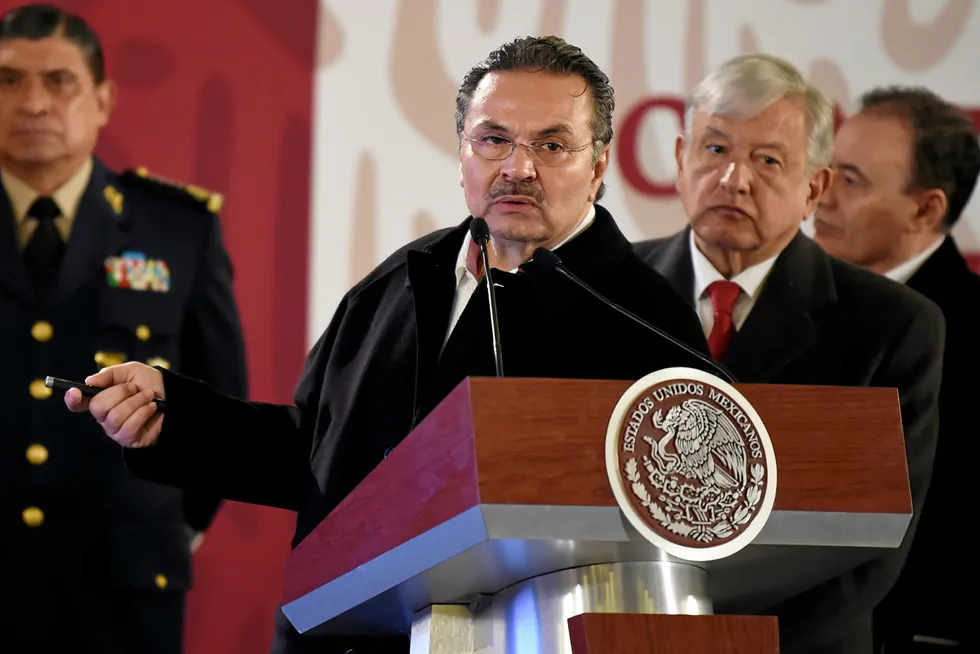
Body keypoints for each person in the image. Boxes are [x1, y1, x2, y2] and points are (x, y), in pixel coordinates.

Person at [65, 35, 719, 654]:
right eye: (494, 140)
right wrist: (175, 418)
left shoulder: (643, 316)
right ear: (462, 152)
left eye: (552, 146)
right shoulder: (401, 282)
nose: (518, 168)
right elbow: (313, 457)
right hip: (347, 638)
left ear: (599, 162)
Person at [632, 54, 944, 653]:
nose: (733, 179)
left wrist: (722, 642)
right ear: (679, 160)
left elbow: (873, 550)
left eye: (767, 161)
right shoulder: (606, 291)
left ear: (815, 188)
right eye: (715, 150)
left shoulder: (892, 327)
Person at [0, 5, 248, 654]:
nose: (33, 103)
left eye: (59, 81)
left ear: (103, 100)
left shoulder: (177, 227)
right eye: (8, 81)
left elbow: (216, 402)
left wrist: (169, 525)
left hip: (125, 584)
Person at [813, 86, 980, 652]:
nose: (821, 196)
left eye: (851, 180)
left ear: (927, 208)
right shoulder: (804, 309)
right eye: (825, 171)